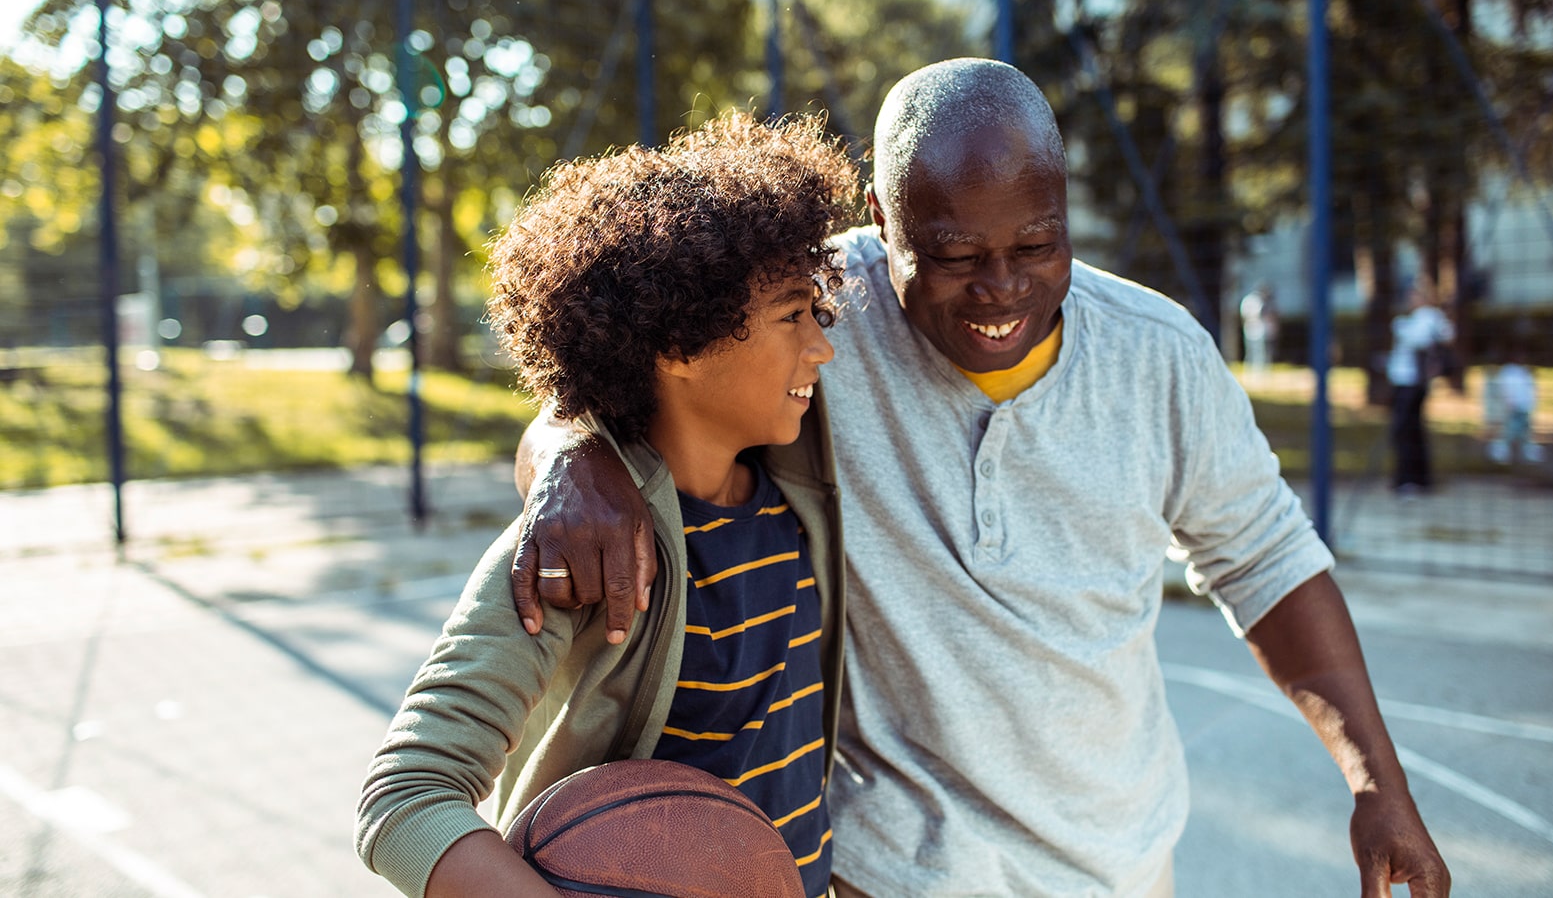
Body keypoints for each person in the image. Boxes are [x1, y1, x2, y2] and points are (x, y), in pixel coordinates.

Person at [510, 60, 1450, 897]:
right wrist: (572, 456)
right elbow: (622, 376)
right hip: (894, 867)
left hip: (1119, 860)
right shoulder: (817, 317)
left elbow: (1268, 561)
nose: (1001, 288)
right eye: (955, 256)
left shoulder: (1160, 357)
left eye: (1036, 245)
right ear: (883, 224)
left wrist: (1378, 786)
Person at [354, 111, 859, 898]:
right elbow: (404, 799)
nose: (822, 345)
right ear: (682, 347)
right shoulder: (580, 548)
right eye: (793, 316)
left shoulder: (797, 478)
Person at [1387, 282, 1457, 494]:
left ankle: (1410, 479)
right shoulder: (1424, 318)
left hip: (1411, 382)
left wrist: (1401, 327)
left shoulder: (1427, 316)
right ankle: (1417, 478)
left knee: (1406, 431)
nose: (1411, 300)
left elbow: (1423, 339)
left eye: (1414, 296)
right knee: (1411, 430)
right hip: (1406, 381)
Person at [1487, 354, 1542, 464]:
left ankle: (1525, 454)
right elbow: (1505, 389)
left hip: (1524, 407)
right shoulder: (1509, 372)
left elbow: (1529, 390)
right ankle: (1500, 453)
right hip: (1514, 407)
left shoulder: (1523, 372)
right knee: (1509, 432)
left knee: (1524, 433)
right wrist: (1509, 403)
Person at [1239, 282, 1278, 376]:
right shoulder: (1256, 301)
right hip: (1255, 329)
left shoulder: (1249, 300)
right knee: (1255, 352)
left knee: (1255, 351)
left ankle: (1257, 371)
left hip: (1253, 329)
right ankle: (1256, 372)